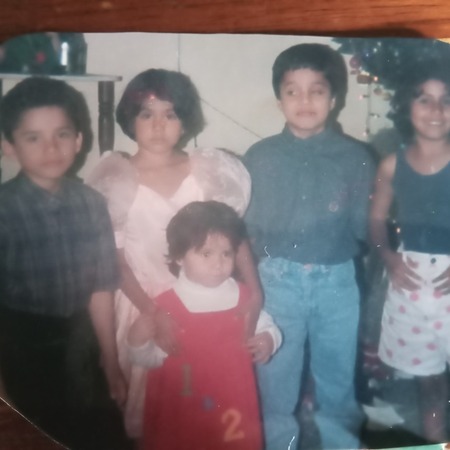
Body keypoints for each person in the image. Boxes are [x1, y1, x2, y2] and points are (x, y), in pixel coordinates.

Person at [86, 68, 263, 438]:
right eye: (146, 114)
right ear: (130, 120)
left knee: (209, 400)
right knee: (156, 410)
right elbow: (116, 262)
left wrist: (255, 289)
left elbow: (234, 236)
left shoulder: (208, 172)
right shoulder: (116, 179)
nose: (158, 125)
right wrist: (154, 312)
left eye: (170, 114)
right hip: (144, 304)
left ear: (185, 120)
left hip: (207, 298)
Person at [242, 43, 375, 450]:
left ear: (334, 99)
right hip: (277, 282)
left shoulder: (356, 157)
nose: (304, 101)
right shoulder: (260, 156)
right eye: (292, 91)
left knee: (337, 384)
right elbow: (249, 230)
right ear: (279, 99)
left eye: (316, 91)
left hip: (336, 283)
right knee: (275, 384)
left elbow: (363, 227)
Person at [0, 77, 129, 450]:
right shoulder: (4, 210)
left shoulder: (92, 204)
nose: (51, 148)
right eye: (33, 138)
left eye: (61, 134)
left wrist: (111, 362)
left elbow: (101, 288)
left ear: (79, 140)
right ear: (9, 146)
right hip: (21, 350)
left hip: (82, 347)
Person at [127, 200, 282, 450]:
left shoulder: (244, 298)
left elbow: (267, 326)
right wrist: (137, 341)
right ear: (179, 257)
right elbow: (150, 360)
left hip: (232, 406)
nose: (218, 263)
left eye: (226, 253)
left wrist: (269, 339)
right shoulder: (166, 307)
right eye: (206, 253)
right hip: (182, 410)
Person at [370, 62, 450, 443]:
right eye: (424, 100)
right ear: (407, 106)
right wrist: (388, 257)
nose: (436, 110)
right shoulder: (392, 165)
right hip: (413, 282)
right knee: (428, 379)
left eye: (446, 100)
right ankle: (437, 440)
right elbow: (376, 218)